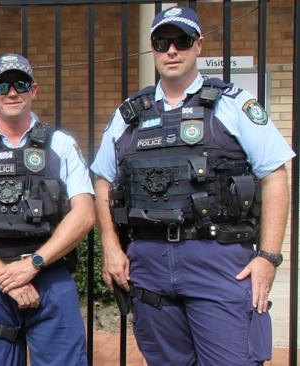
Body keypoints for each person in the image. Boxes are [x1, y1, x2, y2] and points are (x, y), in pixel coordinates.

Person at [91, 7, 295, 365]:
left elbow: (275, 174)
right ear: (152, 48)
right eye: (161, 42)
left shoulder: (233, 104)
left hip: (217, 257)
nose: (171, 50)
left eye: (181, 41)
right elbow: (103, 180)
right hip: (149, 260)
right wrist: (110, 245)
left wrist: (268, 256)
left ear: (198, 46)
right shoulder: (129, 115)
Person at [0, 53, 95, 366]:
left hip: (50, 276)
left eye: (20, 84)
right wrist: (6, 276)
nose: (12, 92)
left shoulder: (60, 144)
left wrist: (33, 265)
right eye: (2, 85)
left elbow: (85, 214)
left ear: (33, 90)